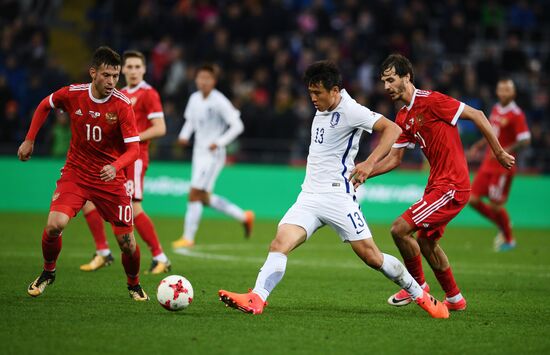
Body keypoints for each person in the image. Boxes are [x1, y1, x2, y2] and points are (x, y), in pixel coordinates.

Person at [218, 60, 450, 319]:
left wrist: (369, 163)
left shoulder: (351, 110)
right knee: (279, 243)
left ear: (335, 90)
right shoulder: (323, 108)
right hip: (308, 196)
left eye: (318, 93)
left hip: (338, 197)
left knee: (372, 257)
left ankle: (420, 294)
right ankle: (257, 298)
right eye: (310, 93)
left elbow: (392, 129)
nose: (313, 99)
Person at [372, 54, 515, 312]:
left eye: (391, 80)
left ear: (407, 77)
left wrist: (499, 152)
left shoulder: (432, 100)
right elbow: (394, 159)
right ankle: (455, 298)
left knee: (399, 229)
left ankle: (417, 285)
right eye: (383, 81)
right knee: (427, 242)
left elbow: (479, 114)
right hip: (437, 186)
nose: (386, 87)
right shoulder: (403, 116)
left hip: (451, 186)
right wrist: (364, 172)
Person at [18, 46, 149, 301]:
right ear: (93, 73)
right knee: (55, 225)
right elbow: (45, 105)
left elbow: (134, 150)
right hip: (76, 173)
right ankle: (48, 272)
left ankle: (133, 284)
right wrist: (29, 140)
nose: (112, 82)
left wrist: (116, 166)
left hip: (109, 179)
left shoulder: (122, 105)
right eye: (106, 75)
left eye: (115, 76)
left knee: (127, 244)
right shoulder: (73, 94)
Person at [79, 50, 171, 274]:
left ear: (144, 69)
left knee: (132, 207)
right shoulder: (118, 93)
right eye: (128, 67)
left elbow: (161, 128)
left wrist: (132, 139)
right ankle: (102, 252)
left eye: (137, 67)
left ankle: (160, 257)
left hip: (135, 159)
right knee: (88, 201)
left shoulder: (148, 94)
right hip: (115, 159)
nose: (132, 71)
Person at [172, 64, 254, 249]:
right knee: (203, 196)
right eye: (200, 78)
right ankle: (243, 216)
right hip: (198, 153)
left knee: (194, 194)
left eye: (207, 78)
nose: (203, 81)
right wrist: (184, 136)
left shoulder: (219, 101)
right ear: (196, 79)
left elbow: (237, 125)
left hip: (213, 154)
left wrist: (220, 141)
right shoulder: (194, 98)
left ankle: (188, 237)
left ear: (213, 81)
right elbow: (190, 121)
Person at [467, 79, 530, 252]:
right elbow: (491, 133)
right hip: (487, 163)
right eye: (501, 89)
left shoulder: (516, 114)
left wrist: (505, 150)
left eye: (507, 90)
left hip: (502, 167)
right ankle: (502, 223)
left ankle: (509, 239)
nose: (503, 93)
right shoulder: (496, 109)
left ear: (513, 93)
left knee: (495, 205)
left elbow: (525, 139)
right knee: (471, 199)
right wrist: (478, 146)